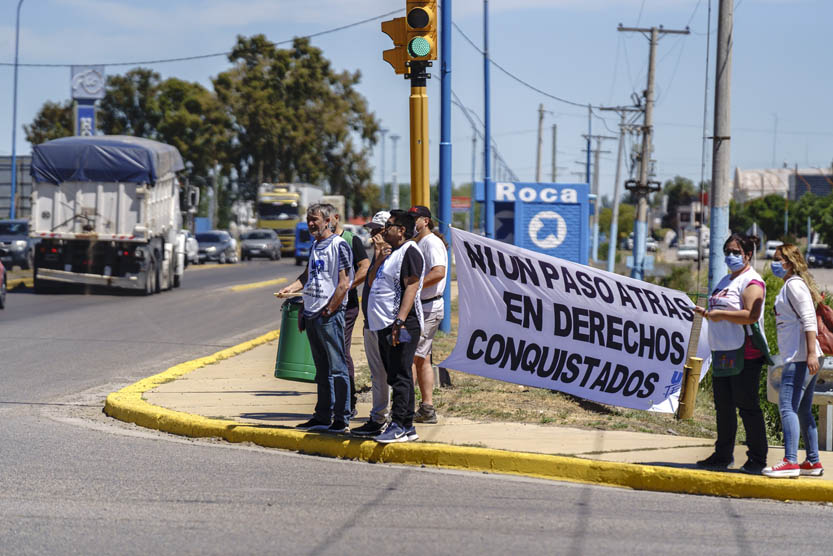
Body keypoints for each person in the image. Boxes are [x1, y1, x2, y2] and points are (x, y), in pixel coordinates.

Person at [693, 233, 769, 474]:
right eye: (728, 251)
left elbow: (751, 315)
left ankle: (757, 458)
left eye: (736, 252)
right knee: (723, 407)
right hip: (722, 351)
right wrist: (706, 313)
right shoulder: (726, 280)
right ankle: (722, 454)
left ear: (748, 255)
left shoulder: (751, 282)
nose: (731, 256)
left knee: (747, 406)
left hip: (745, 353)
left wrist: (720, 315)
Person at [277, 203, 353, 433]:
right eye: (309, 219)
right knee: (321, 369)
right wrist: (291, 289)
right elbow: (308, 276)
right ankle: (322, 416)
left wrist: (330, 309)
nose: (311, 224)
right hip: (312, 313)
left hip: (329, 315)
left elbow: (343, 283)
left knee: (338, 367)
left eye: (315, 219)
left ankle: (341, 417)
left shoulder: (339, 245)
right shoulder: (315, 245)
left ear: (328, 221)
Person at [763, 244, 825, 478]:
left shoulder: (794, 285)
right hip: (803, 356)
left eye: (778, 259)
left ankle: (790, 461)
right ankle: (812, 461)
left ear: (789, 262)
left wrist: (810, 354)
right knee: (802, 410)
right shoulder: (791, 285)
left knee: (787, 406)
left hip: (800, 357)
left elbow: (809, 320)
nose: (774, 263)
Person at [366, 211, 424, 443]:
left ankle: (400, 423)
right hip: (384, 323)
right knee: (395, 375)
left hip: (401, 324)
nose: (384, 230)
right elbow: (372, 281)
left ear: (401, 230)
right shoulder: (393, 254)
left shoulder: (410, 251)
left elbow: (412, 286)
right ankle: (406, 426)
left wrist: (399, 322)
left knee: (401, 375)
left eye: (389, 226)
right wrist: (379, 255)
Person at [351, 211, 394, 437]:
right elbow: (369, 280)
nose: (372, 234)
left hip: (386, 322)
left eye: (377, 230)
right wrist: (377, 254)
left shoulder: (396, 253)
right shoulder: (379, 253)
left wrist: (381, 253)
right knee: (377, 373)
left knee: (389, 373)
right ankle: (378, 417)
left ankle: (387, 418)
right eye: (371, 230)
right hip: (371, 321)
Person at [408, 205, 448, 424]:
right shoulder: (419, 243)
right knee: (423, 359)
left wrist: (415, 286)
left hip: (428, 307)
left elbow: (439, 272)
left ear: (425, 221)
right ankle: (426, 408)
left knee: (411, 358)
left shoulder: (431, 242)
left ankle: (404, 409)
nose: (411, 223)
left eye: (414, 219)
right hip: (423, 306)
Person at [331, 209, 370, 417]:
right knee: (330, 353)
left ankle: (348, 402)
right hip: (326, 305)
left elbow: (364, 267)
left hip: (347, 305)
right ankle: (333, 402)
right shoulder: (322, 241)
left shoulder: (351, 239)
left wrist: (348, 286)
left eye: (327, 219)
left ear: (336, 218)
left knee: (342, 352)